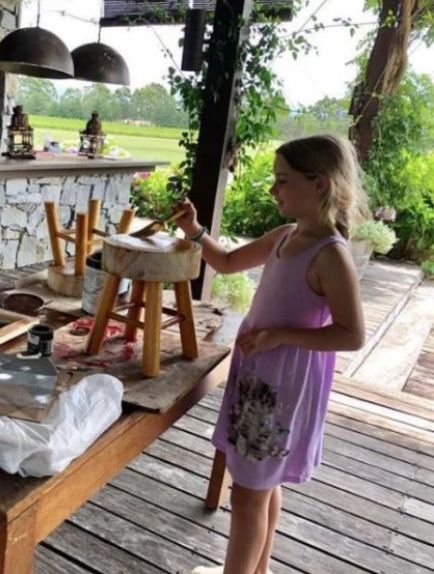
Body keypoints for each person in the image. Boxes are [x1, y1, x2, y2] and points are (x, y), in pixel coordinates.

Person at [177, 135, 367, 574]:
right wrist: (195, 231)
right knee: (263, 483)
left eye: (283, 180)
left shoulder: (331, 255)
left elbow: (352, 335)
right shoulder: (285, 236)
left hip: (282, 388)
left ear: (319, 185)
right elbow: (225, 262)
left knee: (246, 495)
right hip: (258, 376)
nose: (273, 190)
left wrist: (280, 335)